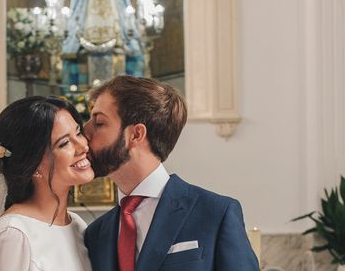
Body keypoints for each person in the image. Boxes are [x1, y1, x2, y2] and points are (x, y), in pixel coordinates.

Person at [83, 76, 259, 271]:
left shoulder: (216, 213)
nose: (84, 132)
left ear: (135, 134)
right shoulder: (95, 233)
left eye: (99, 123)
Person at [0, 96, 95, 271]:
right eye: (64, 143)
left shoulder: (77, 225)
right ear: (33, 163)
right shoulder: (14, 234)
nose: (83, 146)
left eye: (78, 133)